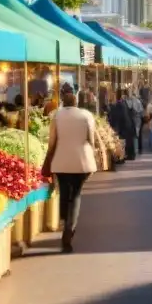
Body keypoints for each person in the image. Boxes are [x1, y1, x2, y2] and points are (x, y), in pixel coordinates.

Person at [47, 88, 97, 253]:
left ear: (63, 102)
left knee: (64, 192)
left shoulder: (57, 116)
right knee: (76, 194)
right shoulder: (86, 116)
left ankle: (64, 220)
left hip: (61, 161)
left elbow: (52, 141)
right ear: (76, 102)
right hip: (82, 162)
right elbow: (91, 139)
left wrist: (48, 159)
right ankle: (69, 228)